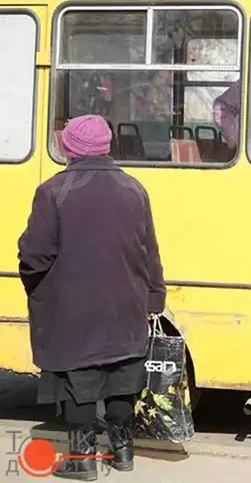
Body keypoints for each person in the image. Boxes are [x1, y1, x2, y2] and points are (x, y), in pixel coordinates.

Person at [18, 115, 166, 480]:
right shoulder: (134, 188)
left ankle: (82, 460)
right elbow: (149, 250)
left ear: (71, 147)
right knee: (122, 379)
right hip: (127, 305)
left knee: (79, 382)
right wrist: (154, 298)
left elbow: (35, 255)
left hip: (74, 309)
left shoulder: (54, 191)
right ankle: (123, 452)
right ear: (106, 146)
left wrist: (36, 286)